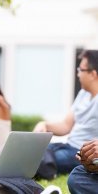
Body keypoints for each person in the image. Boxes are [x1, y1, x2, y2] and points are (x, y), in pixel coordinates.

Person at [33, 49, 98, 179]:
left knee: (36, 158)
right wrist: (45, 125)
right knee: (33, 150)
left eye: (81, 70)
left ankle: (43, 169)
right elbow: (66, 125)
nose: (78, 74)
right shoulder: (83, 94)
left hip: (80, 153)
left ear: (93, 74)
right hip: (66, 145)